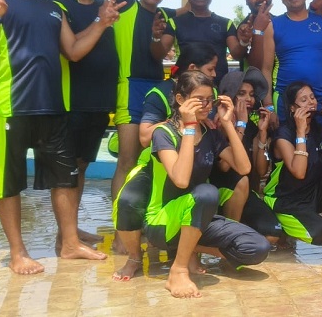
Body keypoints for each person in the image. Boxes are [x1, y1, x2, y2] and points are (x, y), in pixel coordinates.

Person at [0, 0, 121, 274]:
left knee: (64, 178)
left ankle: (70, 244)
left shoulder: (53, 8)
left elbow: (74, 51)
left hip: (54, 106)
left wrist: (102, 22)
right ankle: (18, 252)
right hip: (9, 107)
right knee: (8, 182)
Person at [112, 71, 270, 296]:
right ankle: (178, 269)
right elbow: (181, 179)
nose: (207, 106)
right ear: (180, 99)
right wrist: (188, 126)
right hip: (163, 221)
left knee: (257, 248)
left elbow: (243, 168)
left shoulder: (210, 134)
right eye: (199, 100)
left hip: (197, 217)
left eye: (210, 100)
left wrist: (227, 124)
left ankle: (187, 248)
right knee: (207, 192)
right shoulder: (164, 133)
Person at [87, 0, 187, 203]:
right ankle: (120, 224)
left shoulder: (166, 17)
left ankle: (146, 215)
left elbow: (167, 42)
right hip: (129, 87)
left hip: (157, 88)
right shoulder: (126, 5)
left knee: (154, 157)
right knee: (127, 159)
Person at [53, 0, 118, 243]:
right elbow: (71, 50)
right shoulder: (58, 6)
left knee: (81, 166)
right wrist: (100, 22)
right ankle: (66, 237)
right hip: (71, 100)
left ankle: (70, 230)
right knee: (66, 170)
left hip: (99, 101)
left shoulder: (107, 6)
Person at [263, 82, 322, 252]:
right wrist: (301, 132)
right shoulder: (283, 135)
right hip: (285, 199)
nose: (311, 102)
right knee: (320, 234)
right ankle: (280, 223)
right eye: (304, 100)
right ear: (292, 108)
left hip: (311, 193)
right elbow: (299, 172)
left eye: (312, 97)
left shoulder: (321, 130)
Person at [217, 68, 284, 243]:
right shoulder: (219, 124)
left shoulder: (251, 127)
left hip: (246, 193)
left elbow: (261, 170)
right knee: (241, 181)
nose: (249, 98)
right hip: (221, 190)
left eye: (252, 95)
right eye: (242, 94)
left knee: (272, 235)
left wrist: (262, 134)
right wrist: (240, 125)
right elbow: (224, 166)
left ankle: (241, 233)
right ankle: (230, 237)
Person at [157, 0, 249, 84]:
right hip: (187, 89)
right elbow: (160, 54)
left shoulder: (226, 23)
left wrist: (244, 42)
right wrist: (155, 38)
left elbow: (237, 55)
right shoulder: (175, 22)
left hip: (218, 88)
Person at [139, 43, 218, 148]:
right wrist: (183, 121)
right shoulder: (159, 94)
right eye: (210, 69)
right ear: (192, 68)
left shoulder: (212, 91)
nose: (214, 74)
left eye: (209, 99)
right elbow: (144, 138)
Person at [238, 0, 276, 70]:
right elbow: (254, 66)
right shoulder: (244, 28)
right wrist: (258, 31)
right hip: (254, 78)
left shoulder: (280, 23)